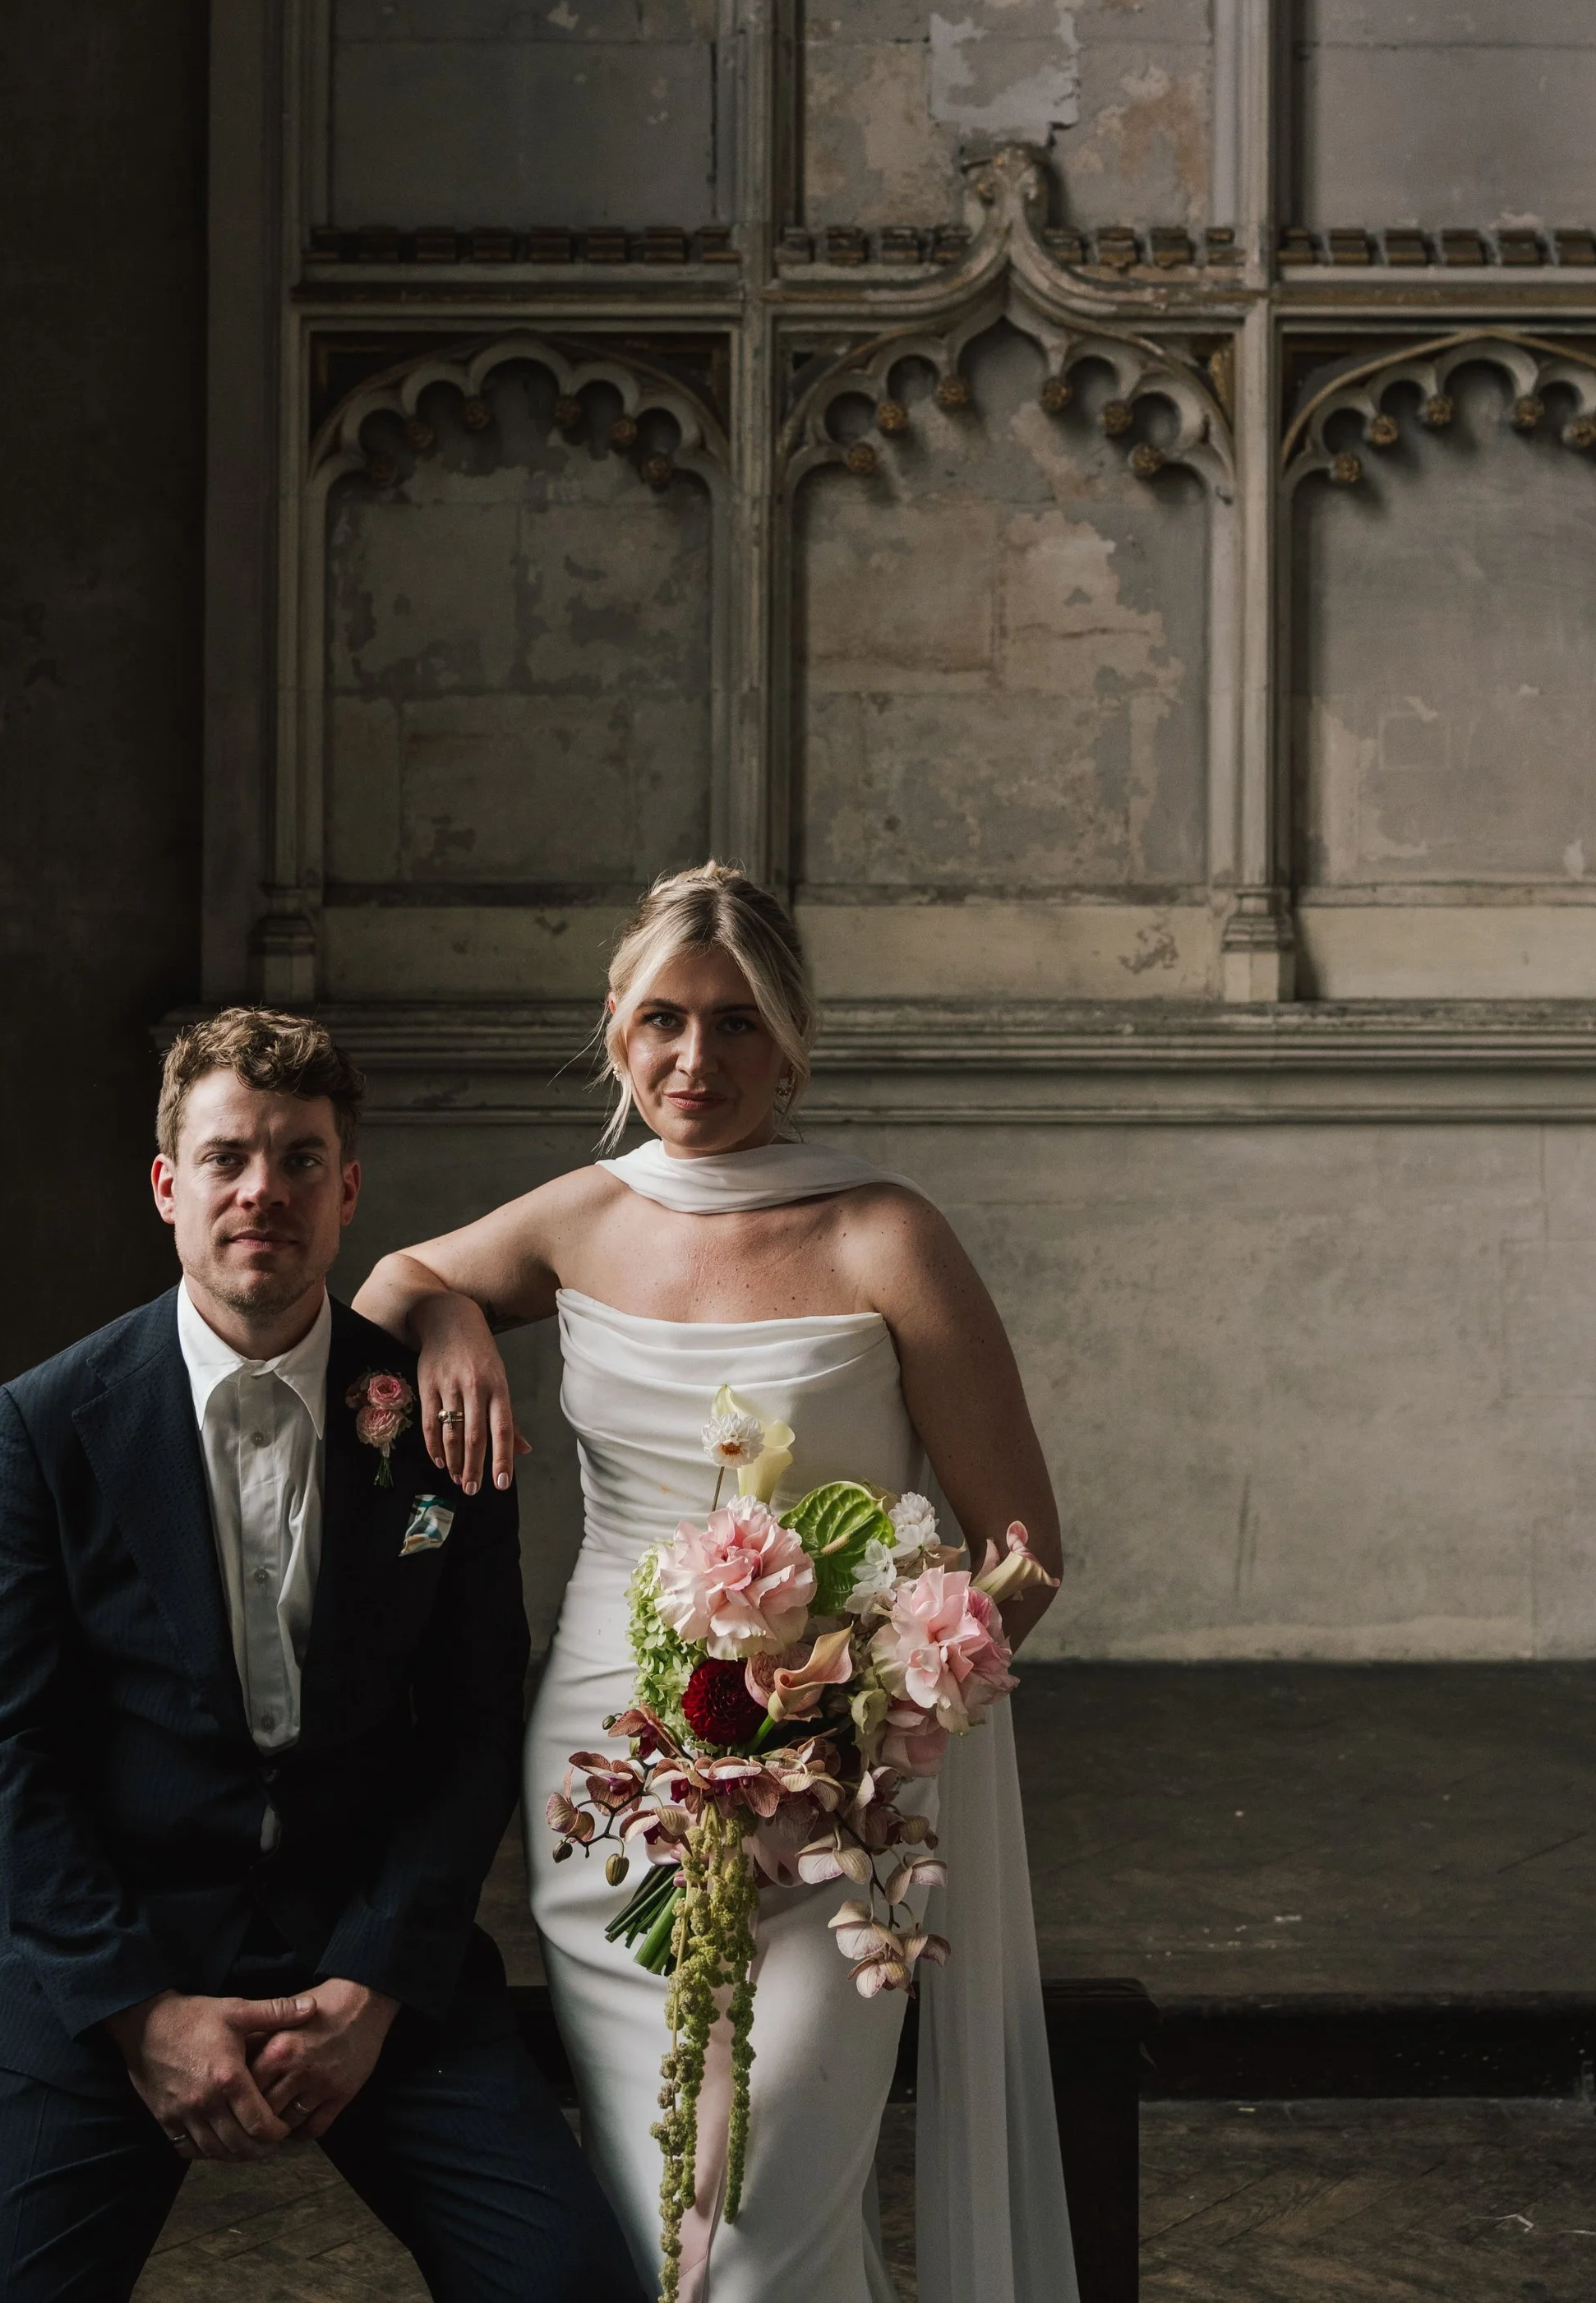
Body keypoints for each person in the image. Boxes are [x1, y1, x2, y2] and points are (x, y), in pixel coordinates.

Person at [353, 863, 1080, 2303]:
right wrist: (448, 1318)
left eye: (738, 1024)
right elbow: (389, 1282)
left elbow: (1025, 1550)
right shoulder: (584, 1217)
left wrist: (861, 1722)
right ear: (617, 1033)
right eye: (665, 1021)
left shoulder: (887, 1234)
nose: (699, 1060)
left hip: (839, 1796)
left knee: (758, 2216)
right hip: (612, 1769)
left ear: (793, 1041)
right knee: (655, 2214)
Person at [0, 1007, 643, 2303]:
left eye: (301, 1158)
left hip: (366, 1950)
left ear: (348, 1186)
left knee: (571, 2284)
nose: (264, 1188)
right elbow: (2, 1748)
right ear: (168, 1185)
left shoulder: (436, 1415)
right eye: (227, 1157)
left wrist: (374, 1982)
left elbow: (478, 1722)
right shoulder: (43, 1426)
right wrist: (141, 2012)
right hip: (110, 1965)